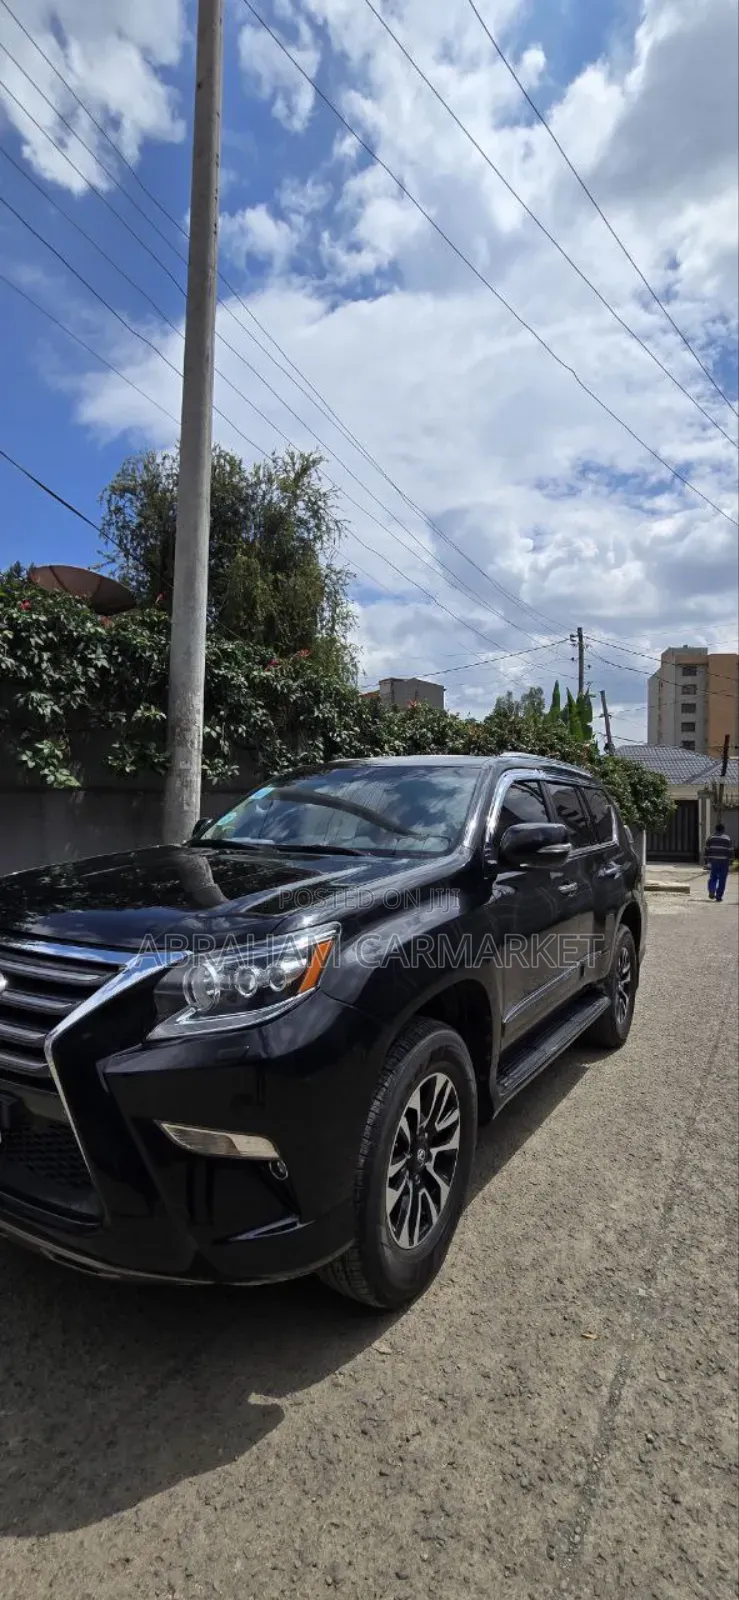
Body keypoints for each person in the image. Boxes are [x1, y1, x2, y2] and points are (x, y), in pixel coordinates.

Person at [704, 820, 734, 903]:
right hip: (724, 861)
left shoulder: (710, 838)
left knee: (713, 877)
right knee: (722, 879)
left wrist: (707, 862)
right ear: (723, 830)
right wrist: (731, 863)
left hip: (713, 860)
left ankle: (712, 890)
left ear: (715, 829)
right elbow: (731, 851)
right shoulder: (727, 839)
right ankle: (718, 897)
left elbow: (706, 850)